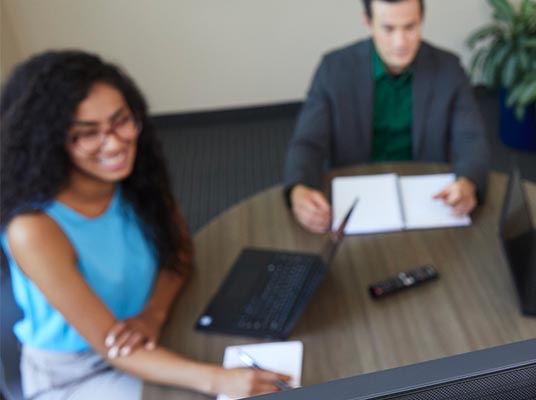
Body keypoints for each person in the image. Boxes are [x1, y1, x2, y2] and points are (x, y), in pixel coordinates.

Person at [0, 51, 290, 399]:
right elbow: (114, 348)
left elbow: (178, 253)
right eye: (88, 133)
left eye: (121, 120)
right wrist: (218, 380)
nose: (116, 142)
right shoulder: (34, 228)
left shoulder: (136, 177)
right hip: (78, 371)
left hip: (152, 329)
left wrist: (152, 313)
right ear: (50, 142)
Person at [283, 0, 490, 233]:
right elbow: (308, 142)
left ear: (421, 19)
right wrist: (298, 189)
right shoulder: (334, 69)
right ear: (368, 22)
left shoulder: (449, 68)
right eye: (388, 28)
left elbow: (471, 138)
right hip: (357, 191)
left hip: (425, 196)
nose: (400, 42)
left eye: (410, 27)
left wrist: (469, 182)